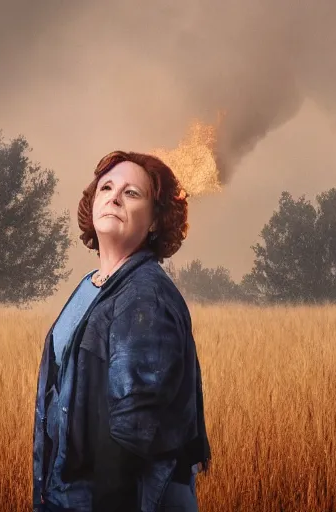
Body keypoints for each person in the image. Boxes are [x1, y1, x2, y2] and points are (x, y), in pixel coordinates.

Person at [32, 150, 212, 512]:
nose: (114, 196)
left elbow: (132, 433)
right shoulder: (95, 284)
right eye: (107, 188)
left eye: (132, 193)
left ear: (156, 220)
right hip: (71, 496)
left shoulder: (144, 294)